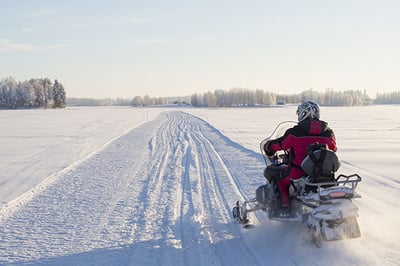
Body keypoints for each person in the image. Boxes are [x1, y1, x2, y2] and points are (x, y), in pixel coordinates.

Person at [263, 100, 337, 212]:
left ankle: (284, 208)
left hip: (299, 172)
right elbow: (333, 149)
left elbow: (280, 144)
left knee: (279, 179)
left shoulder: (295, 132)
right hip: (323, 173)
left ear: (303, 113)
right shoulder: (328, 133)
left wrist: (269, 147)